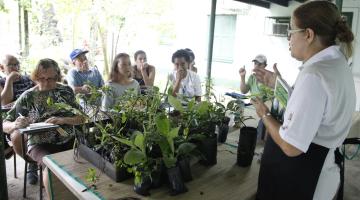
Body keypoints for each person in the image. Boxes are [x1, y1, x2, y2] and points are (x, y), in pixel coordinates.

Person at [251, 1, 356, 200]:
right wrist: (278, 84)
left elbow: (291, 147)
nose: (288, 37)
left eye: (291, 30)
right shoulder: (336, 63)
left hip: (304, 176)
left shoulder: (314, 75)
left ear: (308, 34)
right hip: (322, 171)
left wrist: (264, 114)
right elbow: (314, 108)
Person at [3, 58, 84, 198]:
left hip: (69, 138)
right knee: (52, 168)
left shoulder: (66, 91)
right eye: (42, 78)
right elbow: (4, 123)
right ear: (35, 76)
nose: (46, 83)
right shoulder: (28, 96)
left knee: (85, 162)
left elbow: (82, 118)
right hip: (40, 143)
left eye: (51, 79)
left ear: (57, 76)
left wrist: (64, 120)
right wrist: (15, 124)